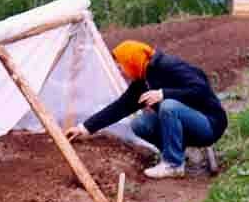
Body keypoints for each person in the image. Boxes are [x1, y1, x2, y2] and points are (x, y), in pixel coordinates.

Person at [65, 40, 227, 179]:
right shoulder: (143, 82)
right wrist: (84, 128)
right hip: (188, 129)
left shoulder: (168, 66)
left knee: (168, 106)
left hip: (210, 125)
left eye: (121, 66)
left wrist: (164, 94)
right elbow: (118, 108)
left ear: (131, 61)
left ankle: (173, 165)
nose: (122, 71)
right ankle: (176, 155)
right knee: (140, 123)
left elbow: (201, 89)